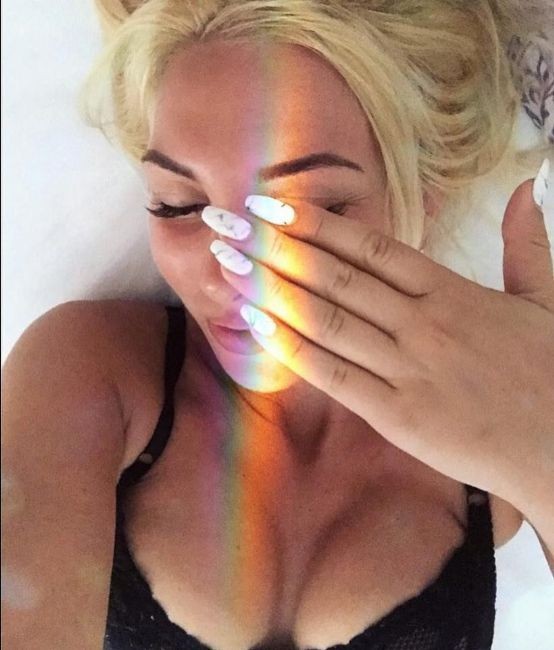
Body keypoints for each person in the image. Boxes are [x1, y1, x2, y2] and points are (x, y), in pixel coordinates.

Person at [2, 1, 553, 649]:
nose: (230, 272)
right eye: (177, 205)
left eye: (301, 210)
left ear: (423, 193)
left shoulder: (495, 420)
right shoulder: (90, 376)